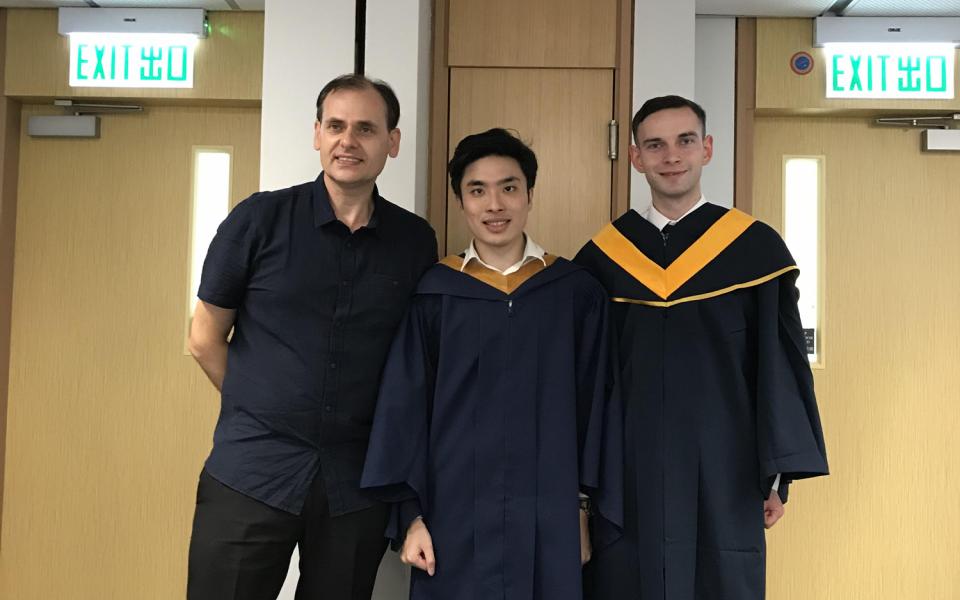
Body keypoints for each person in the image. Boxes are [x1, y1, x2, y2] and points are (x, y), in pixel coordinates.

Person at [185, 74, 438, 600]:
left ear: (392, 142)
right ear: (317, 134)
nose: (349, 141)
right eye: (337, 126)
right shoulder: (260, 219)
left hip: (356, 482)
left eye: (366, 128)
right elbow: (204, 337)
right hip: (252, 472)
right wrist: (259, 407)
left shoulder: (414, 241)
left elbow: (413, 357)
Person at [575, 95, 828, 599]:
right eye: (655, 145)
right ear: (635, 158)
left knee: (721, 579)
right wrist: (583, 484)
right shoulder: (602, 258)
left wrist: (778, 474)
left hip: (726, 459)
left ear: (707, 149)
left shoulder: (754, 248)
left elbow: (777, 365)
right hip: (628, 461)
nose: (672, 156)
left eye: (685, 141)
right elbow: (586, 375)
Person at [360, 128, 622, 600]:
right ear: (461, 201)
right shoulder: (434, 295)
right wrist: (410, 518)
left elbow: (595, 410)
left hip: (551, 519)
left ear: (529, 195)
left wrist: (583, 515)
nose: (494, 205)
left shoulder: (574, 294)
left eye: (509, 187)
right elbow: (404, 411)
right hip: (451, 516)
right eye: (477, 190)